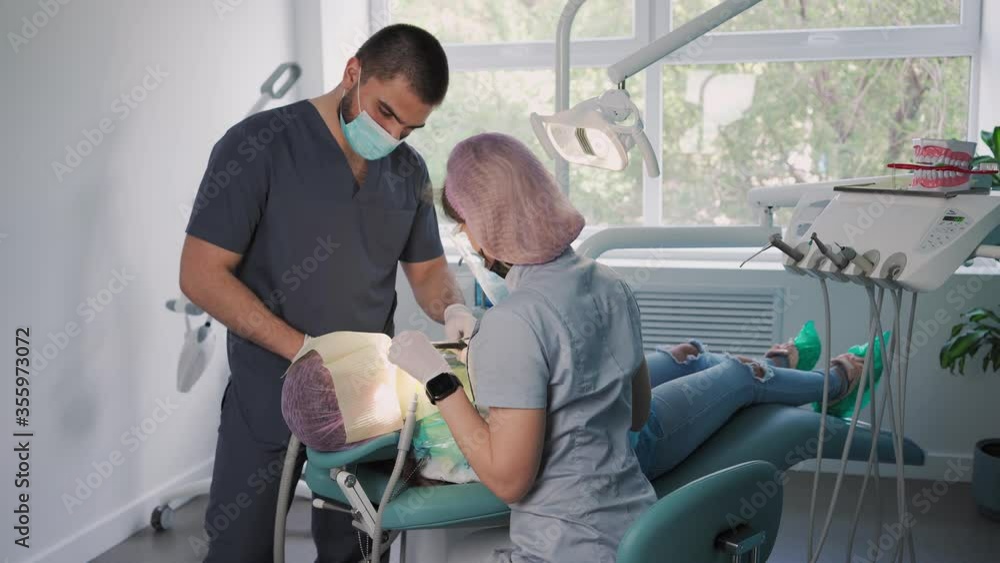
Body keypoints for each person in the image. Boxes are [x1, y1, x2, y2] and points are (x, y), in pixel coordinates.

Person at [388, 133, 867, 563]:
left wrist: (439, 380)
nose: (466, 238)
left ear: (484, 224)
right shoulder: (609, 283)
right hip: (637, 532)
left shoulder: (513, 321)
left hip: (562, 551)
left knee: (439, 551)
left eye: (464, 225)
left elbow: (509, 480)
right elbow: (637, 414)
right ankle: (810, 376)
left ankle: (817, 380)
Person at [179, 24, 477, 563]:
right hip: (268, 392)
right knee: (239, 548)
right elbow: (201, 276)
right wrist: (306, 351)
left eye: (410, 128)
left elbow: (429, 271)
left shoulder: (407, 170)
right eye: (385, 113)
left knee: (357, 550)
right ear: (352, 72)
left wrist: (452, 307)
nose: (393, 136)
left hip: (367, 402)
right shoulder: (257, 146)